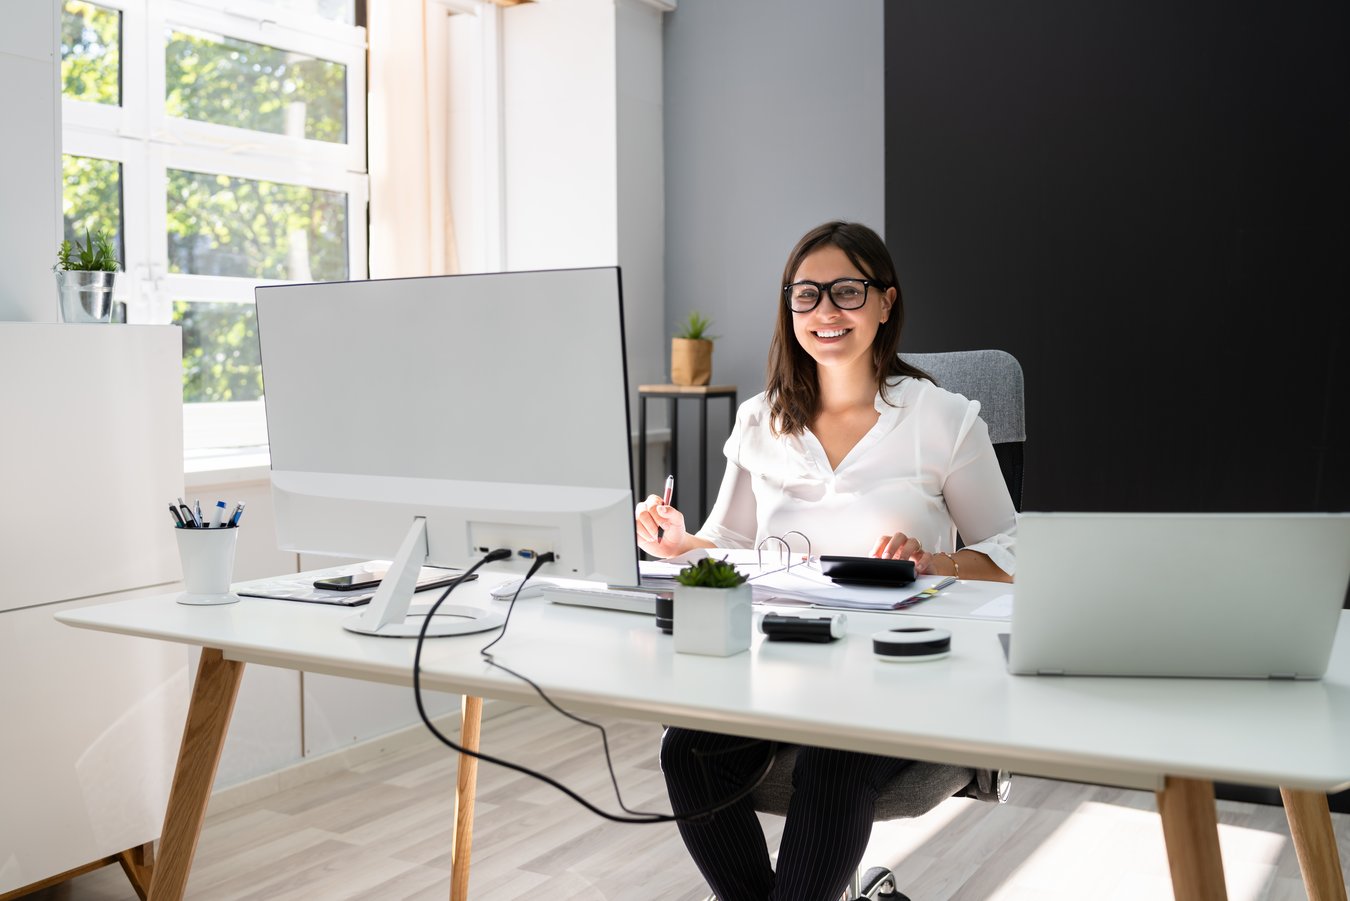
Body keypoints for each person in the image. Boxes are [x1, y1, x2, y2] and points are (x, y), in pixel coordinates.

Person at [634, 220, 1017, 901]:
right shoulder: (761, 419)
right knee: (685, 749)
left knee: (836, 752)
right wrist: (679, 542)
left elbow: (1014, 552)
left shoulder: (943, 418)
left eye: (846, 291)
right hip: (775, 667)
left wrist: (936, 561)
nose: (825, 311)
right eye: (805, 295)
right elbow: (731, 545)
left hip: (895, 674)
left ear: (885, 302)